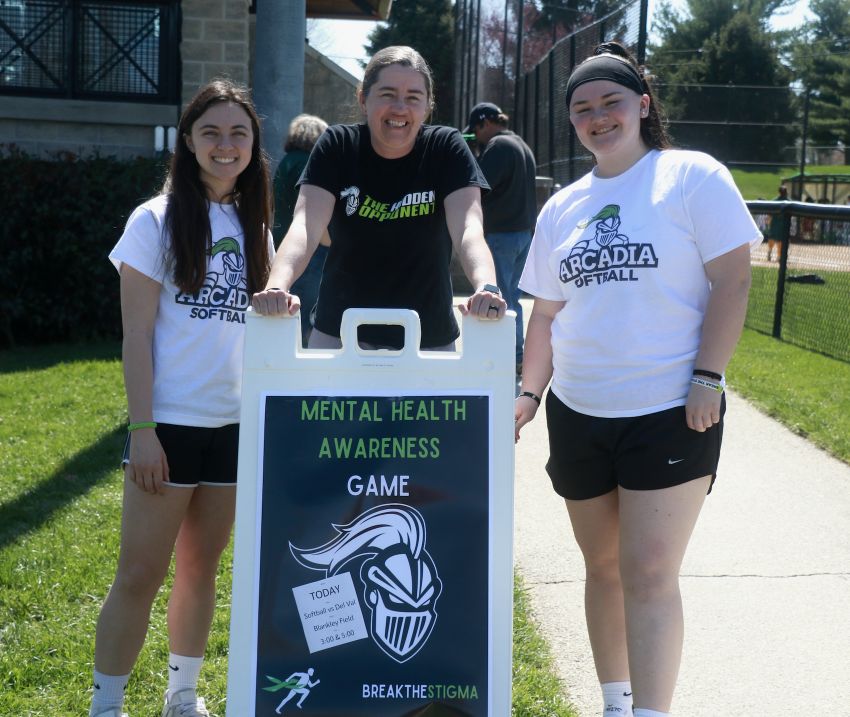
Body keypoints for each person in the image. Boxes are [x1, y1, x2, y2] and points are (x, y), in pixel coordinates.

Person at [514, 42, 761, 717]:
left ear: (642, 105)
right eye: (583, 109)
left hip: (670, 411)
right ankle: (616, 704)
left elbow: (733, 280)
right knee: (602, 569)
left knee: (649, 571)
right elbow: (545, 318)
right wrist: (528, 395)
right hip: (578, 412)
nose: (598, 118)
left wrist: (709, 375)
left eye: (611, 103)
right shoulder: (561, 207)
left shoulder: (692, 177)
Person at [90, 79, 274, 717]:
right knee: (139, 574)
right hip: (167, 427)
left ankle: (183, 695)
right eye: (212, 132)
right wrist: (143, 429)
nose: (226, 146)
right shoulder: (155, 218)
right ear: (189, 141)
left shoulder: (256, 228)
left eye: (238, 133)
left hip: (233, 428)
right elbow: (136, 333)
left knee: (201, 569)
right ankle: (106, 704)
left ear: (254, 144)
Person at [251, 45, 507, 347]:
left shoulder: (445, 147)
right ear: (363, 98)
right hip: (340, 333)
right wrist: (278, 285)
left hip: (429, 336)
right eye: (387, 94)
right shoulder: (337, 145)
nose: (400, 107)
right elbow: (306, 225)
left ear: (427, 105)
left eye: (413, 97)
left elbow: (468, 227)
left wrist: (486, 286)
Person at [464, 101, 537, 374]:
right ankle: (517, 357)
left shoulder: (498, 147)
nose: (476, 136)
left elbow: (476, 186)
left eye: (476, 130)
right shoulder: (520, 144)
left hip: (502, 236)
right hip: (521, 236)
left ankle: (511, 357)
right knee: (513, 297)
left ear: (485, 123)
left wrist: (471, 155)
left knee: (500, 299)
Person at [272, 113, 330, 346]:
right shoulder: (306, 164)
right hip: (308, 250)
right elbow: (312, 213)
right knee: (306, 316)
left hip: (281, 244)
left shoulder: (286, 161)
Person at [766, 184, 788, 261]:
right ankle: (779, 256)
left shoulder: (774, 201)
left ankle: (770, 251)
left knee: (772, 238)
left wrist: (768, 221)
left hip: (774, 224)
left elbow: (769, 214)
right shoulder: (788, 201)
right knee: (780, 241)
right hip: (783, 225)